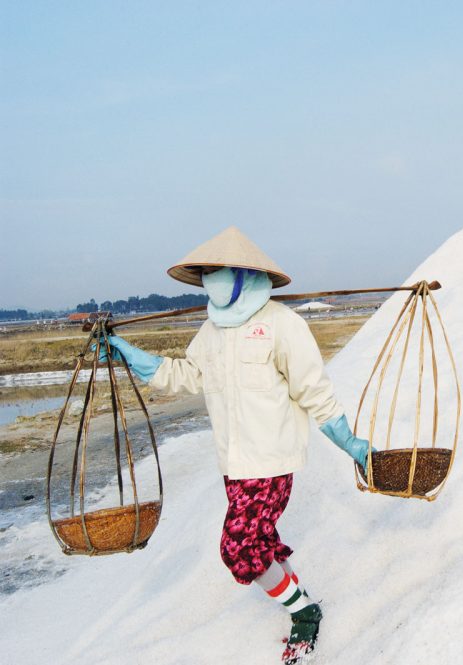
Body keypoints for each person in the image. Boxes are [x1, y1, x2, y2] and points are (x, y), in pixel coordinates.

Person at [100, 226, 373, 664]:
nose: (211, 278)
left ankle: (304, 612)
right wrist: (134, 357)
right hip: (234, 464)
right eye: (206, 271)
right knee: (258, 541)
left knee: (238, 548)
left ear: (245, 274)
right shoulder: (212, 330)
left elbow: (313, 390)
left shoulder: (283, 324)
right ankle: (300, 597)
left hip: (272, 461)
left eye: (218, 270)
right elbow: (187, 374)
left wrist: (350, 442)